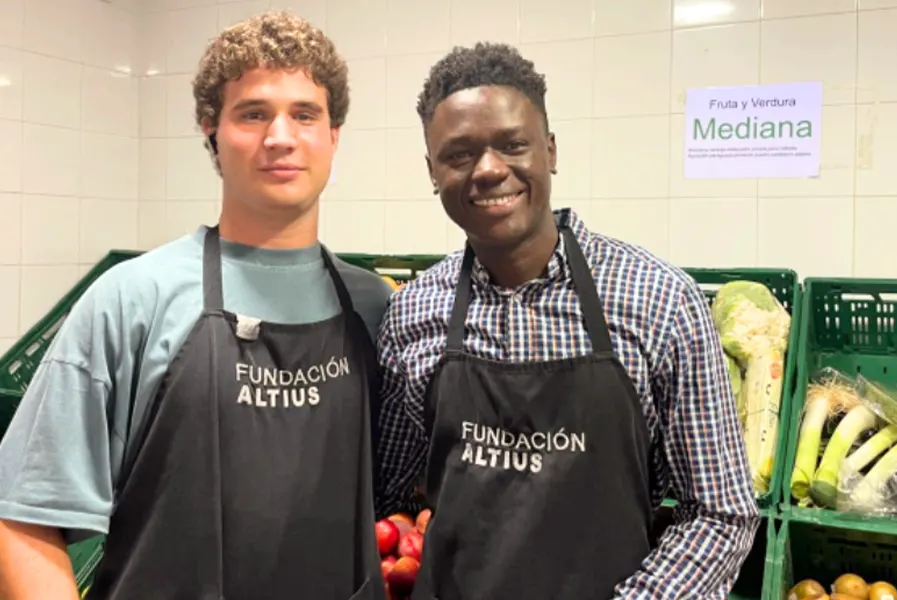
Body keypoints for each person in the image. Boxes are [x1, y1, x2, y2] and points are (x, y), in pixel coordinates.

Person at [0, 11, 391, 600]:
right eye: (253, 113)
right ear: (212, 130)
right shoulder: (133, 299)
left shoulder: (373, 305)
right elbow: (21, 517)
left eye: (304, 114)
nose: (280, 136)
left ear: (333, 134)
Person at [375, 42, 761, 600]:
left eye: (513, 145)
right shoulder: (413, 314)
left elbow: (719, 514)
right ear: (433, 172)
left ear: (549, 150)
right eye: (459, 154)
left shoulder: (659, 301)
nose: (488, 170)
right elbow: (392, 492)